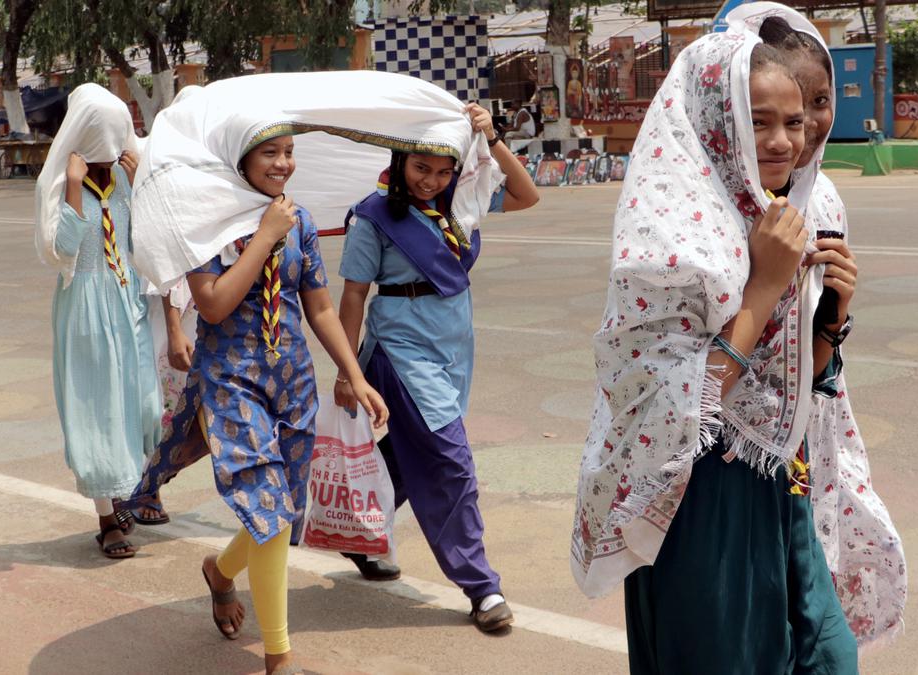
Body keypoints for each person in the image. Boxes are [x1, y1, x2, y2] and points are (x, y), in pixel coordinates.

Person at [573, 30, 860, 672]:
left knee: (828, 656)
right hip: (700, 502)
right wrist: (763, 286)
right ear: (716, 122)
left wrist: (829, 323)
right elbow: (682, 408)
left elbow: (802, 386)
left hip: (782, 487)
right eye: (759, 122)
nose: (787, 140)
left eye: (798, 118)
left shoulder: (789, 213)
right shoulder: (666, 238)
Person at [123, 129, 388, 674]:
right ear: (240, 161)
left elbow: (318, 307)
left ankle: (221, 572)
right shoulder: (207, 221)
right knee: (267, 511)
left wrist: (352, 372)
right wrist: (265, 235)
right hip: (230, 382)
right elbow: (214, 304)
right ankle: (279, 656)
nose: (284, 163)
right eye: (271, 153)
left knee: (281, 513)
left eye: (289, 152)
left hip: (291, 381)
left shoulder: (301, 222)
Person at [335, 102, 539, 632]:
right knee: (450, 462)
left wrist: (490, 139)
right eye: (421, 167)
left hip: (452, 346)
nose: (431, 179)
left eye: (444, 168)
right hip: (400, 350)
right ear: (401, 160)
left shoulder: (460, 201)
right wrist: (347, 371)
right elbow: (354, 295)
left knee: (403, 458)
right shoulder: (374, 216)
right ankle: (481, 586)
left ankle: (348, 528)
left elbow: (526, 193)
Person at [743, 3, 907, 647]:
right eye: (773, 114)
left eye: (818, 99)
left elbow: (819, 353)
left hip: (814, 412)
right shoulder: (715, 205)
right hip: (740, 437)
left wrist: (834, 314)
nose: (804, 125)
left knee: (818, 579)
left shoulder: (824, 197)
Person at [33, 84, 162, 560]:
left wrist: (143, 178)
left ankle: (134, 491)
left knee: (146, 406)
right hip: (85, 306)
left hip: (128, 300)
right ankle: (108, 519)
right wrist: (70, 186)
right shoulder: (58, 184)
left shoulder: (127, 176)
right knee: (97, 413)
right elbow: (62, 250)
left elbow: (148, 237)